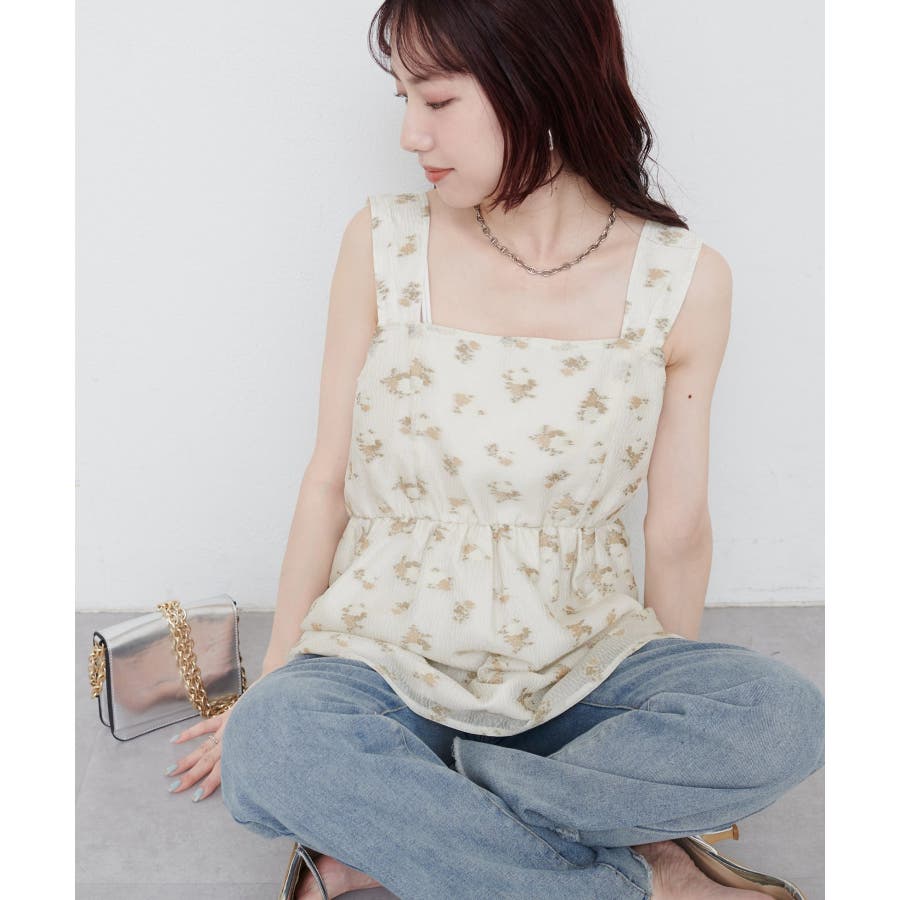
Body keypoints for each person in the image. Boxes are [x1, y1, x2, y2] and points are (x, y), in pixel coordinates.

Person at [163, 3, 825, 898]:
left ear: (540, 82)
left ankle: (398, 830)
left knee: (782, 718)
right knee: (276, 742)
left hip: (579, 671)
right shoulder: (383, 243)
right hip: (382, 667)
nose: (410, 134)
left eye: (437, 100)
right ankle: (641, 879)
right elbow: (328, 480)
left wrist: (650, 741)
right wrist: (274, 676)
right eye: (403, 98)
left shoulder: (681, 279)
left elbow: (677, 530)